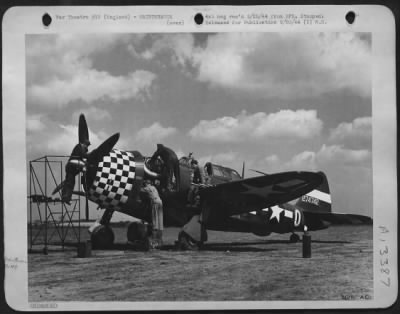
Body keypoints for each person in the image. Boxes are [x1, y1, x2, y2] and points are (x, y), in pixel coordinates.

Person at [141, 179, 163, 249]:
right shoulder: (154, 187)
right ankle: (158, 239)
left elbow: (139, 190)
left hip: (155, 203)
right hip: (160, 202)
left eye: (145, 183)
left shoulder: (147, 188)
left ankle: (153, 241)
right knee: (159, 221)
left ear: (147, 183)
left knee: (154, 220)